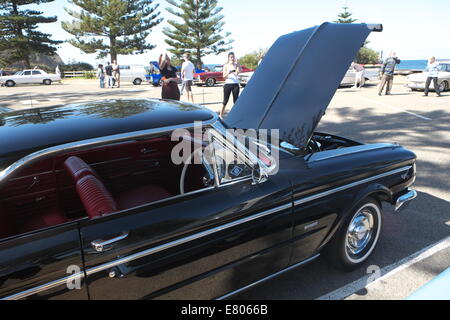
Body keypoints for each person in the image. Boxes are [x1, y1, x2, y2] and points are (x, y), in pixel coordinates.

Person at [220, 52, 241, 118]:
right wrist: (228, 72)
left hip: (235, 84)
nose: (232, 58)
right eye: (231, 57)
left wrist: (237, 66)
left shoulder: (236, 64)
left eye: (233, 57)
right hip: (228, 84)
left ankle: (236, 115)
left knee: (236, 101)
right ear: (228, 58)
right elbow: (224, 76)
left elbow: (237, 73)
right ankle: (220, 115)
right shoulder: (225, 65)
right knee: (225, 101)